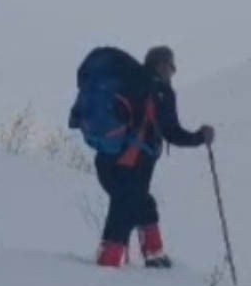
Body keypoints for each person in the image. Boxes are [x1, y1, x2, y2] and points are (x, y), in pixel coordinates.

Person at [92, 46, 215, 268]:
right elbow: (172, 132)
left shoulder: (129, 83)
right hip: (133, 162)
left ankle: (154, 256)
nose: (172, 73)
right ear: (161, 65)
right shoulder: (160, 91)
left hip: (106, 159)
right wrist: (199, 137)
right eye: (171, 67)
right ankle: (109, 264)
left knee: (142, 204)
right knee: (126, 206)